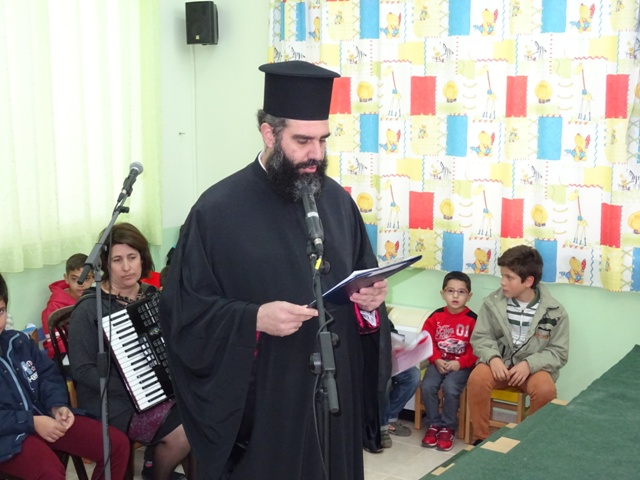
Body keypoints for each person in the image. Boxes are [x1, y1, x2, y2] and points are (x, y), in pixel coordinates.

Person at [160, 60, 391, 480]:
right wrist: (253, 318)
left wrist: (370, 301)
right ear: (269, 133)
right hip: (265, 398)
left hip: (334, 392)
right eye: (302, 140)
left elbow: (361, 278)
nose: (316, 154)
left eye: (322, 140)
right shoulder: (217, 211)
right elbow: (183, 310)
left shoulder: (337, 201)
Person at [67, 223, 193, 480]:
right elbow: (81, 369)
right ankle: (156, 473)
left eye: (132, 257)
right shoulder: (90, 308)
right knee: (185, 432)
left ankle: (162, 466)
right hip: (111, 400)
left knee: (205, 413)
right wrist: (133, 386)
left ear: (142, 258)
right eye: (117, 260)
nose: (127, 267)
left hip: (159, 392)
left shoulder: (151, 295)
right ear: (105, 264)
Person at [0, 272, 129, 480]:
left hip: (44, 416)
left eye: (1, 311)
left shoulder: (18, 341)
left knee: (116, 444)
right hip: (8, 436)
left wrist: (57, 406)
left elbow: (48, 375)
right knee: (50, 472)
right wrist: (31, 422)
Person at [467, 245, 570, 444]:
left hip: (533, 368)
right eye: (502, 275)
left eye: (509, 277)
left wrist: (529, 365)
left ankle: (529, 441)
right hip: (500, 363)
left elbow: (559, 352)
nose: (502, 282)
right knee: (477, 378)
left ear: (528, 281)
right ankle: (480, 438)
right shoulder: (492, 303)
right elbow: (481, 337)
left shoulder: (555, 311)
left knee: (545, 390)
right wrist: (493, 358)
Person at [419, 271, 477, 451]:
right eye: (450, 291)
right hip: (437, 363)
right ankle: (433, 424)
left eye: (461, 292)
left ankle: (448, 427)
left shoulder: (473, 320)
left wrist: (460, 363)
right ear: (442, 293)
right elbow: (426, 341)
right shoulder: (435, 317)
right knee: (427, 386)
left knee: (451, 387)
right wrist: (436, 359)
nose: (455, 296)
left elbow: (476, 349)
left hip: (461, 366)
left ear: (469, 296)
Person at [41, 253, 94, 359]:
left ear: (93, 278)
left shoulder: (94, 298)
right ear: (66, 278)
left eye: (86, 278)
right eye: (74, 279)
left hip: (90, 349)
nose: (81, 284)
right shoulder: (54, 307)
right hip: (63, 354)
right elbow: (56, 343)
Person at [378, 322, 420, 450]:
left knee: (413, 375)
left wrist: (397, 343)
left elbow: (390, 329)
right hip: (368, 360)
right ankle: (382, 426)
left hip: (386, 357)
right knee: (384, 381)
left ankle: (390, 417)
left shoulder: (379, 311)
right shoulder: (353, 313)